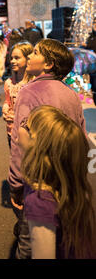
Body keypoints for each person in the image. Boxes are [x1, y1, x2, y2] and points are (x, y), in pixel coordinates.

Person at [8, 38, 87, 259]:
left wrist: (15, 183)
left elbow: (19, 144)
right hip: (67, 177)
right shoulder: (71, 94)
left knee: (29, 244)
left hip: (39, 178)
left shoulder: (29, 91)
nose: (30, 57)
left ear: (48, 64)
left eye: (35, 53)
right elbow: (80, 138)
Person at [19, 105, 96, 259]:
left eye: (26, 124)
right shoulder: (65, 182)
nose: (20, 125)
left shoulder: (40, 200)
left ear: (37, 144)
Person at [2, 41, 34, 149]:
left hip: (29, 134)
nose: (12, 61)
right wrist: (5, 108)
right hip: (11, 130)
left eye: (17, 58)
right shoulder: (9, 83)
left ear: (28, 59)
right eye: (11, 58)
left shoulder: (34, 84)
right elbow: (7, 101)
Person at [84, 17, 96, 105]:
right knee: (94, 87)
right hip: (92, 67)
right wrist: (85, 46)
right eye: (94, 23)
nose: (95, 25)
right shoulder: (91, 36)